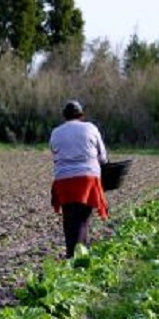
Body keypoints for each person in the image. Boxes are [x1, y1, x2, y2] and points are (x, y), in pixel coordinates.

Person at [49, 100, 108, 258]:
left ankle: (70, 255)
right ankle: (80, 257)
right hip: (87, 179)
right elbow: (103, 157)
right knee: (83, 218)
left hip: (64, 180)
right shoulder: (90, 128)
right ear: (81, 115)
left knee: (69, 218)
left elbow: (55, 155)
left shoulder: (56, 132)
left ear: (65, 116)